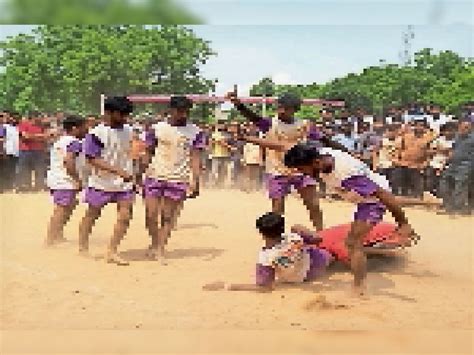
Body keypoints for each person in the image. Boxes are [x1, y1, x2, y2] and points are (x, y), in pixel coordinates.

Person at [242, 138, 438, 297]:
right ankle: (426, 202)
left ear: (315, 162)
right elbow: (285, 145)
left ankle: (359, 287)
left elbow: (382, 197)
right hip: (366, 193)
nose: (301, 174)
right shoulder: (317, 153)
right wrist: (250, 139)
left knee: (353, 243)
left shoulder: (347, 175)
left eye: (302, 169)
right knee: (377, 209)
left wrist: (403, 223)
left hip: (370, 202)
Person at [227, 91, 345, 231]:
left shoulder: (304, 125)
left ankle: (321, 232)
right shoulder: (270, 124)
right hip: (277, 171)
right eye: (279, 106)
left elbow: (325, 140)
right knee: (278, 209)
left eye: (284, 107)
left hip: (302, 170)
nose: (280, 109)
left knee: (313, 204)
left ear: (294, 109)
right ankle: (278, 238)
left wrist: (346, 151)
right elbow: (254, 117)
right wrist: (238, 105)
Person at [141, 96, 205, 264]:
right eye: (179, 111)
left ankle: (160, 249)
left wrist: (196, 180)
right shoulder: (156, 128)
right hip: (154, 175)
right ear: (170, 110)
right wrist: (140, 173)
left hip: (178, 178)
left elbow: (195, 157)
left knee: (168, 217)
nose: (182, 114)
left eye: (186, 111)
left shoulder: (196, 132)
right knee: (150, 215)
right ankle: (155, 243)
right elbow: (148, 152)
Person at [203, 212, 332, 292]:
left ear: (262, 233)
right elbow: (317, 239)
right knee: (325, 254)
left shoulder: (265, 258)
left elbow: (264, 287)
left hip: (303, 278)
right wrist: (300, 229)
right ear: (282, 228)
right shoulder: (294, 236)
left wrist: (228, 285)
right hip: (319, 263)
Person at [78, 96, 135, 265]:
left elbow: (127, 152)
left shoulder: (128, 130)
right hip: (101, 182)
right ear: (108, 112)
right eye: (121, 114)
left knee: (125, 217)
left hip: (124, 183)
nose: (125, 118)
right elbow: (92, 159)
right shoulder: (97, 133)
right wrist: (117, 170)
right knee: (92, 215)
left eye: (127, 115)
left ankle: (112, 251)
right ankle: (82, 247)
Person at [45, 115, 86, 246]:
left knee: (70, 205)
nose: (86, 129)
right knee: (62, 209)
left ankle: (58, 234)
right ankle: (50, 239)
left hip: (56, 178)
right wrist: (77, 179)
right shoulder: (74, 142)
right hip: (65, 180)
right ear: (75, 128)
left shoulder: (61, 140)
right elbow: (69, 161)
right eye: (83, 127)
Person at [392, 118, 437, 198]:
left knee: (418, 177)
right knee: (396, 173)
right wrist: (396, 159)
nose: (419, 127)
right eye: (417, 125)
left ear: (425, 127)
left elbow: (430, 155)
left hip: (417, 165)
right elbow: (398, 150)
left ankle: (418, 197)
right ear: (414, 126)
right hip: (403, 163)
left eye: (422, 126)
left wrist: (424, 164)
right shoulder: (406, 136)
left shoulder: (429, 138)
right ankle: (397, 195)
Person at [439, 117, 474, 215]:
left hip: (466, 165)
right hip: (453, 164)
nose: (464, 129)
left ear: (471, 128)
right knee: (444, 182)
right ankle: (448, 206)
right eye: (462, 127)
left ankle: (459, 208)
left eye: (467, 127)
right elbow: (453, 151)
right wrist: (446, 163)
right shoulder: (458, 137)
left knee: (460, 185)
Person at [17, 111, 49, 192]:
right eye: (39, 117)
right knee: (25, 169)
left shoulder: (41, 126)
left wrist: (32, 136)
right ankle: (25, 187)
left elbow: (46, 137)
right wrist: (39, 136)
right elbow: (25, 136)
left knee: (39, 169)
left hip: (39, 151)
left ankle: (39, 186)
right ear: (34, 117)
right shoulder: (23, 124)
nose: (41, 119)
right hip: (25, 150)